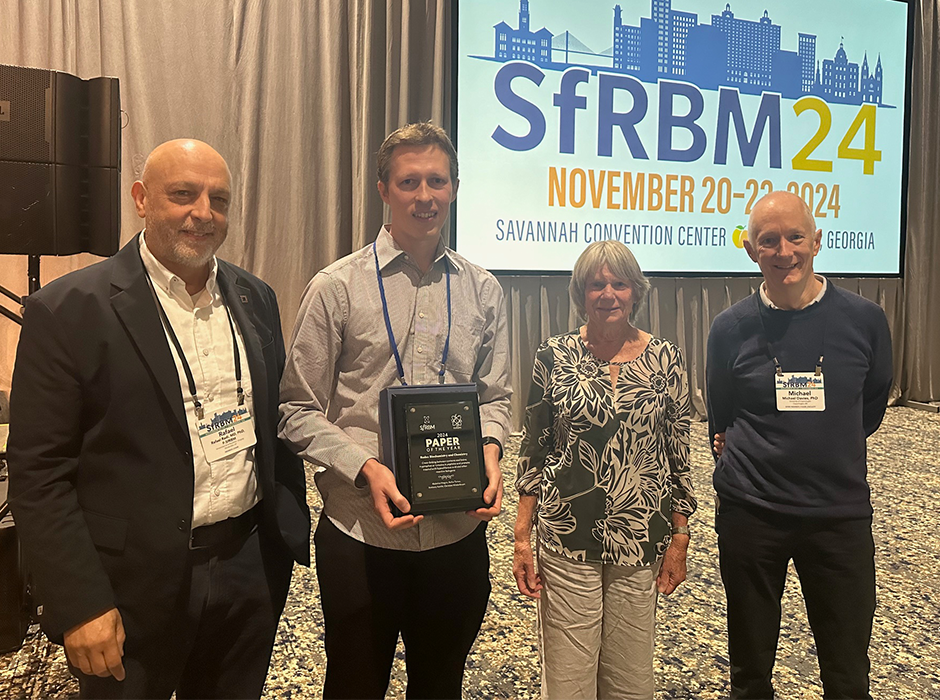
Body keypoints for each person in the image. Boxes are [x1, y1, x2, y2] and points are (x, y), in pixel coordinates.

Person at [7, 139, 311, 699]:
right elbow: (39, 472)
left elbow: (274, 423)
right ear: (142, 199)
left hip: (248, 567)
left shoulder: (255, 297)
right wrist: (81, 602)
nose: (203, 213)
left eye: (218, 199)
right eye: (182, 195)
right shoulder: (67, 309)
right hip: (127, 586)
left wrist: (282, 533)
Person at [278, 122, 511, 699]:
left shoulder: (485, 290)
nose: (424, 196)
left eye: (437, 181)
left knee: (440, 685)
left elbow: (497, 397)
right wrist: (365, 467)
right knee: (355, 686)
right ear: (383, 189)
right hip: (362, 534)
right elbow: (294, 408)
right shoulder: (336, 287)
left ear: (455, 188)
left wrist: (491, 449)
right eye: (409, 182)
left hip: (456, 536)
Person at [706, 191, 893, 699]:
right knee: (749, 669)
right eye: (769, 241)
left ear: (817, 242)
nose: (784, 251)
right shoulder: (729, 328)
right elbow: (721, 413)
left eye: (794, 237)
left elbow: (870, 406)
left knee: (848, 670)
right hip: (752, 515)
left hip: (839, 516)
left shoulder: (865, 319)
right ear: (751, 250)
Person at [513, 239, 696, 700]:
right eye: (596, 285)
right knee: (569, 676)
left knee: (630, 677)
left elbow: (678, 453)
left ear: (636, 291)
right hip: (566, 534)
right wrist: (520, 534)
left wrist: (680, 536)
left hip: (641, 535)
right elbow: (535, 448)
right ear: (580, 294)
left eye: (619, 284)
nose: (608, 294)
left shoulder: (665, 358)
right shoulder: (553, 356)